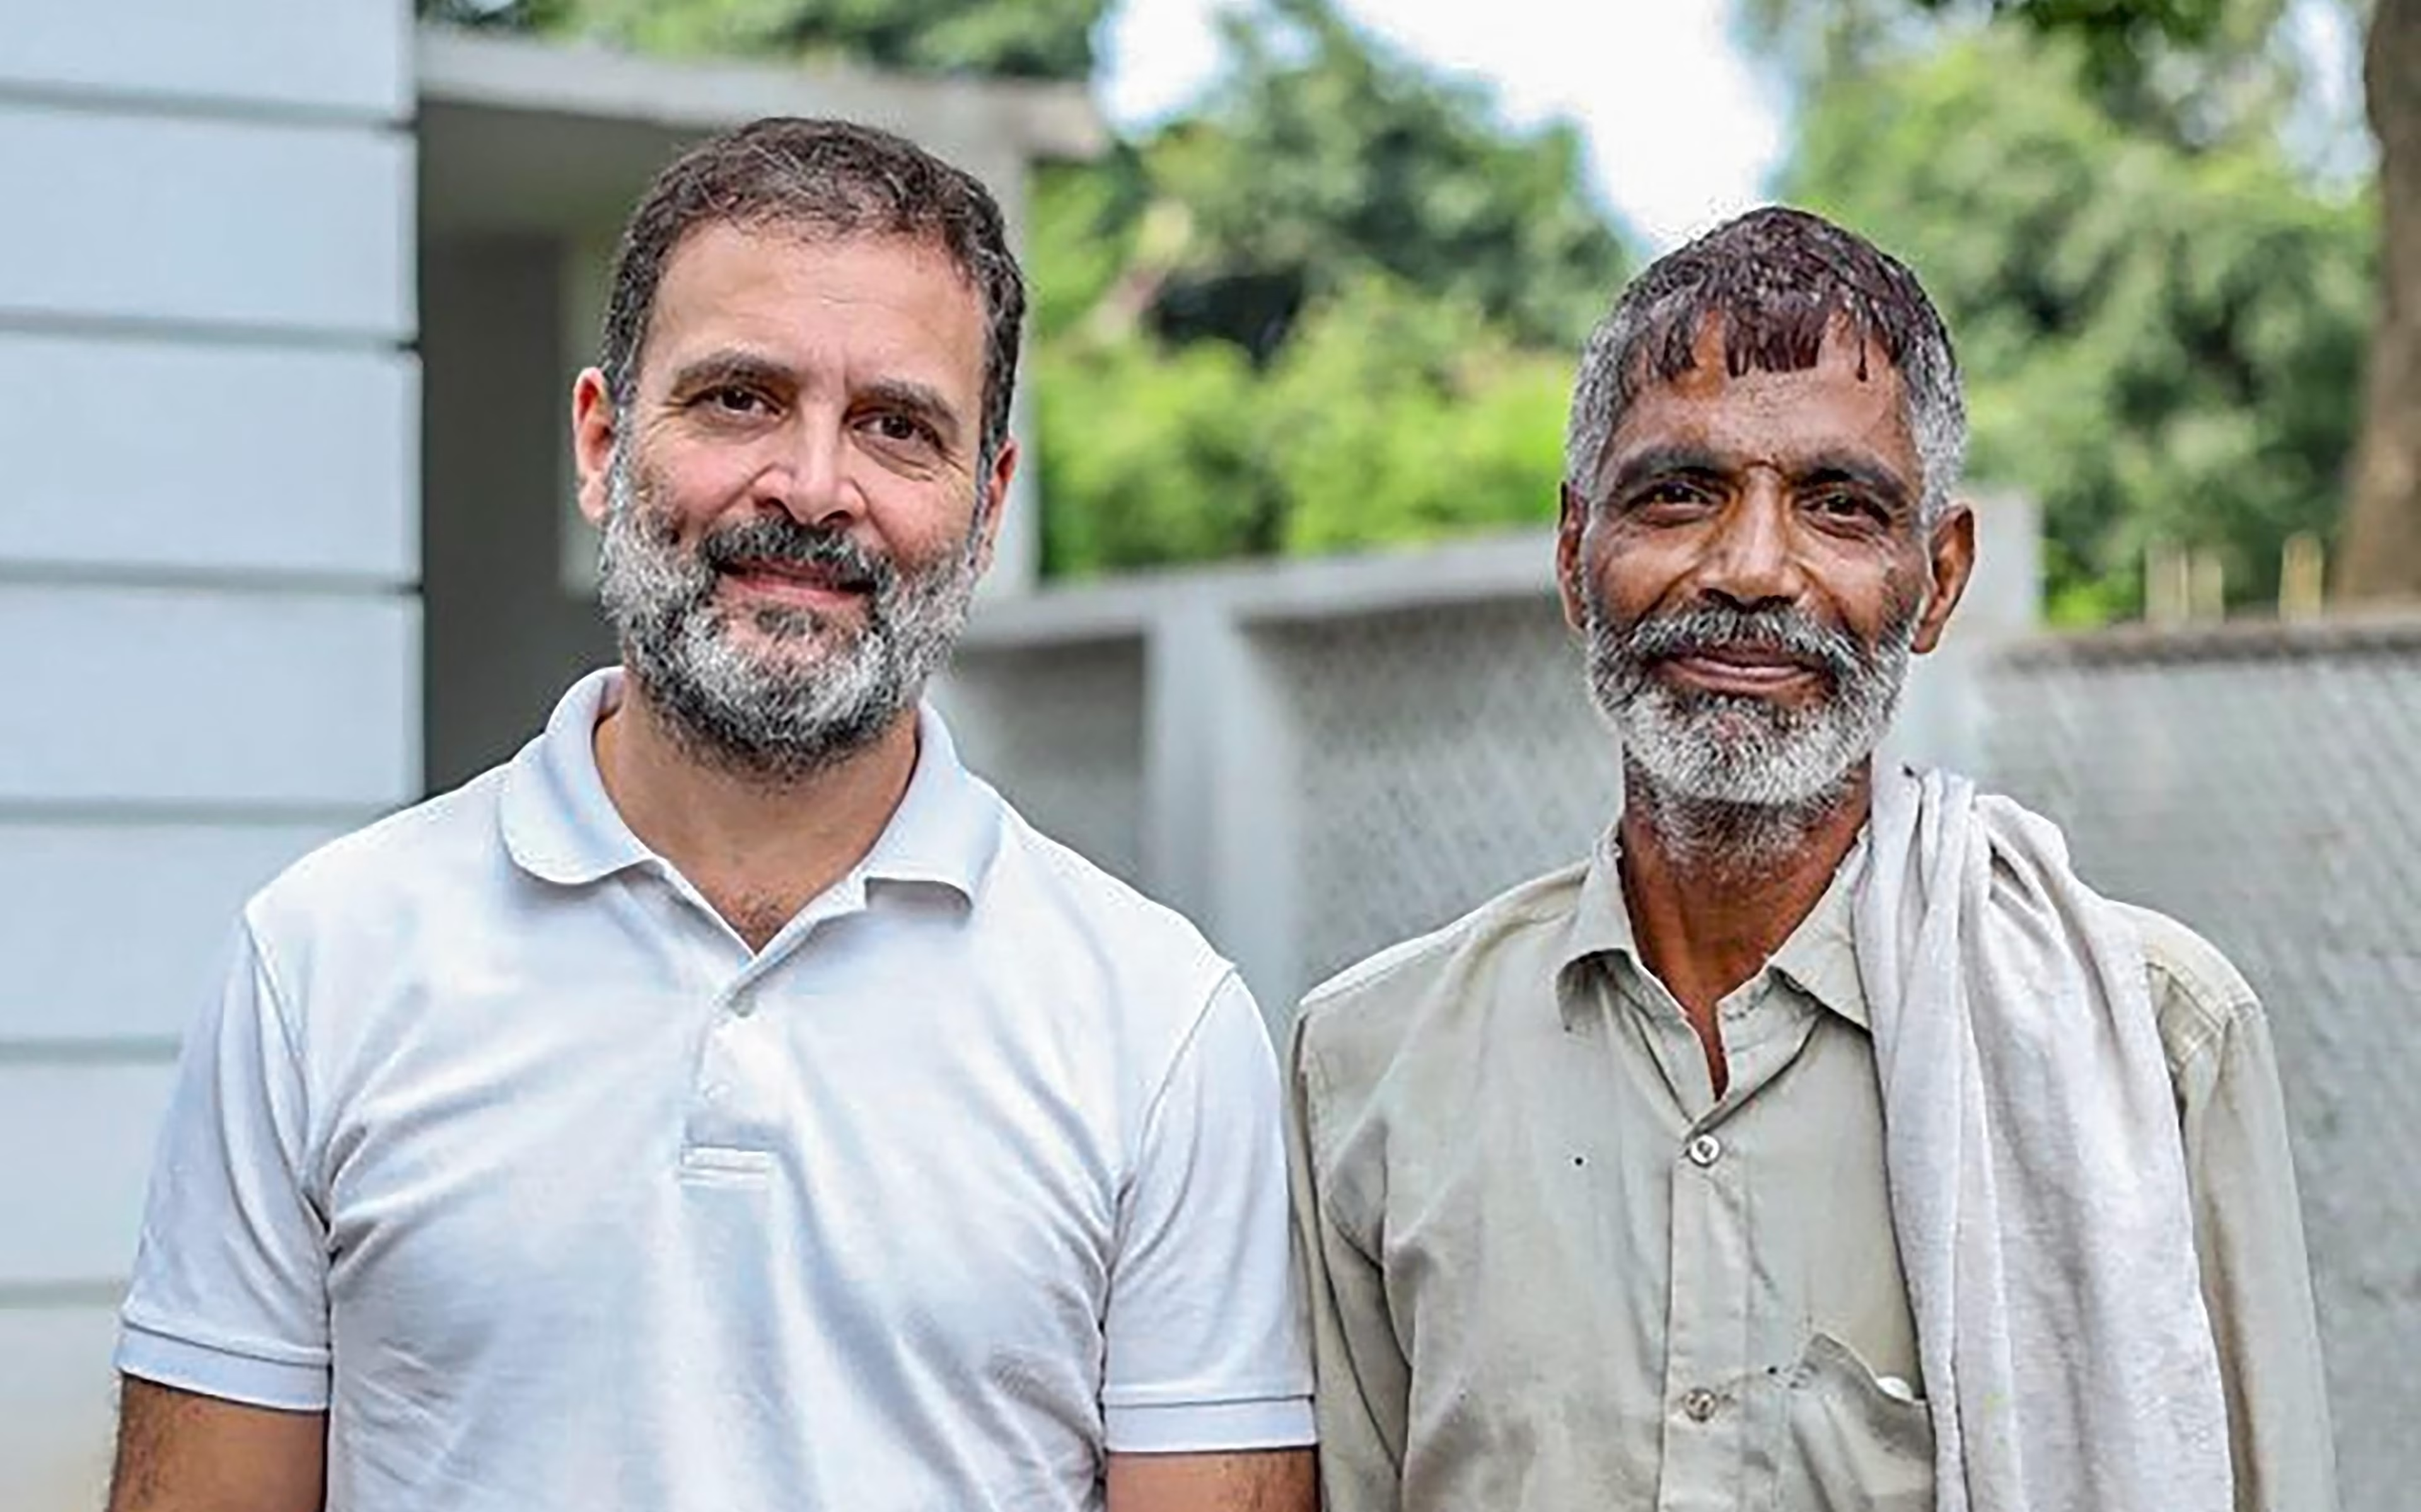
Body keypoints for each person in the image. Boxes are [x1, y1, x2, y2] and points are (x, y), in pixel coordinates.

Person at [107, 117, 1315, 1512]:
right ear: (604, 441)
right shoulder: (320, 962)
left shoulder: (1157, 1027)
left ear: (986, 507)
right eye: (740, 398)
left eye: (896, 426)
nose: (811, 487)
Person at [1286, 206, 2337, 1512]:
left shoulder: (2150, 1038)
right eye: (1681, 493)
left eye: (1840, 506)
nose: (1752, 568)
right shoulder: (1370, 1063)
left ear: (1937, 578)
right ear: (1575, 555)